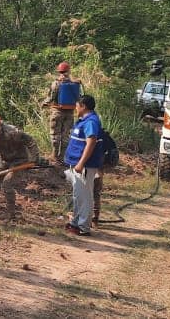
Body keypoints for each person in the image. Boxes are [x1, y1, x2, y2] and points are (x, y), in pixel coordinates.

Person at [0, 112, 41, 219]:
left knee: (7, 183)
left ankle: (10, 212)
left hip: (20, 160)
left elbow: (31, 141)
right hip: (5, 159)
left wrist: (35, 158)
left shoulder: (12, 132)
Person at [63, 95, 103, 237]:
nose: (75, 108)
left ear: (83, 106)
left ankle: (83, 226)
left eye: (77, 105)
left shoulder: (91, 122)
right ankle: (76, 222)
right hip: (76, 164)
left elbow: (91, 142)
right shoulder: (83, 121)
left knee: (84, 196)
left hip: (84, 166)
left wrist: (81, 163)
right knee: (78, 195)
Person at [47, 62, 82, 162]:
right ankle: (62, 156)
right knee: (66, 135)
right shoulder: (74, 84)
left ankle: (54, 155)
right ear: (69, 70)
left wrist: (44, 104)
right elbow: (79, 97)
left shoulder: (56, 83)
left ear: (59, 71)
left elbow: (51, 98)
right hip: (70, 113)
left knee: (55, 134)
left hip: (57, 112)